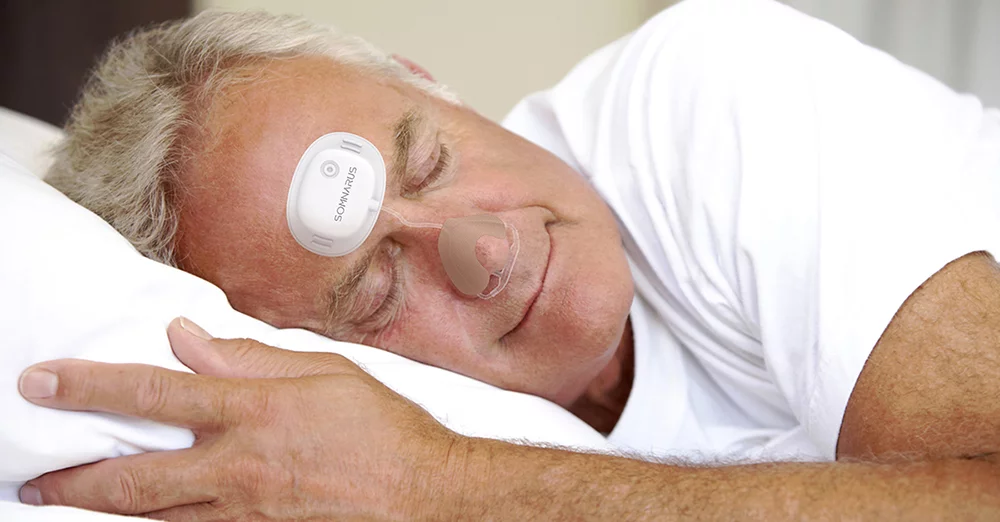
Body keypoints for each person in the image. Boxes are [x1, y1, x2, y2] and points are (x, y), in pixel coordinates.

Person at [18, 0, 1000, 518]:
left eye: (431, 160)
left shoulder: (710, 90)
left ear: (432, 86)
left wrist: (435, 483)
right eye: (377, 290)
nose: (484, 250)